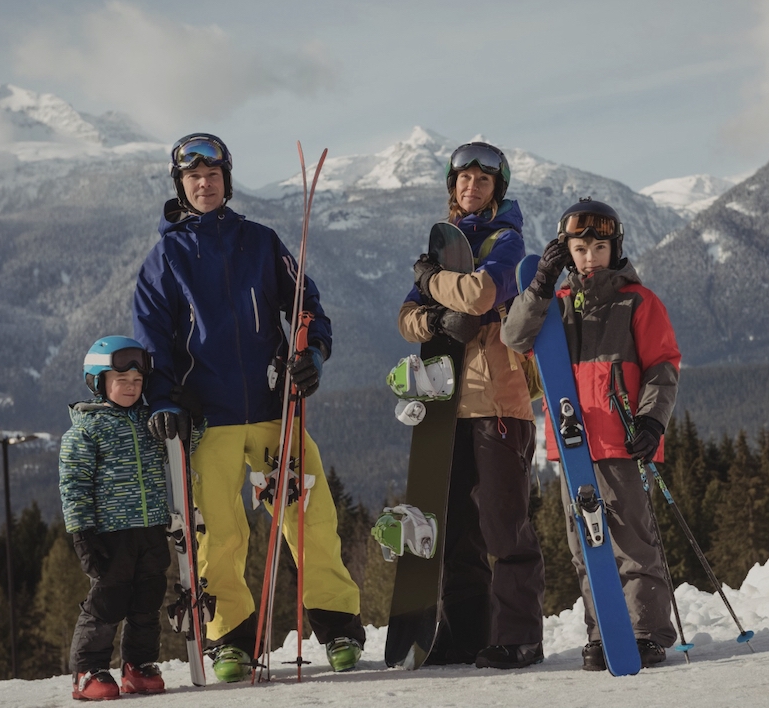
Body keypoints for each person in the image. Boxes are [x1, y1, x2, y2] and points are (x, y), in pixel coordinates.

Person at [132, 133, 365, 681]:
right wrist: (163, 399)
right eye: (193, 177)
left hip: (271, 406)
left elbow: (306, 304)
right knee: (218, 530)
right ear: (181, 185)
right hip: (207, 416)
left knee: (310, 518)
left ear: (226, 180)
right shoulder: (166, 257)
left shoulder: (261, 242)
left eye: (212, 175)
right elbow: (152, 339)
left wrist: (313, 354)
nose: (203, 184)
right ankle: (231, 639)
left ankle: (337, 628)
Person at [501, 198, 682, 670]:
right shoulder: (557, 306)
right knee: (586, 545)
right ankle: (605, 631)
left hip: (623, 440)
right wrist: (540, 282)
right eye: (579, 249)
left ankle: (646, 632)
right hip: (573, 445)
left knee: (631, 542)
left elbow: (663, 367)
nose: (589, 257)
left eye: (598, 247)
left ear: (614, 248)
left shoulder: (638, 302)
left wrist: (651, 420)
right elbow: (515, 337)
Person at [397, 141, 545, 670]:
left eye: (484, 180)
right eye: (463, 179)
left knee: (504, 528)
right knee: (455, 528)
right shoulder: (445, 243)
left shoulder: (509, 242)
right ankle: (465, 634)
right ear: (452, 187)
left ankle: (520, 636)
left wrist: (432, 281)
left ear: (497, 189)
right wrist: (436, 320)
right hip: (444, 403)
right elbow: (406, 316)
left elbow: (483, 295)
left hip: (498, 402)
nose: (472, 187)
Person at [59, 335, 204, 700]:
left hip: (152, 527)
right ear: (98, 382)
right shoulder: (86, 429)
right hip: (110, 533)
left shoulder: (149, 420)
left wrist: (194, 418)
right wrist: (82, 533)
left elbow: (183, 446)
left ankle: (138, 666)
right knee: (109, 601)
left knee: (147, 600)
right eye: (121, 381)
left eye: (137, 382)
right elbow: (73, 484)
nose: (130, 387)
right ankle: (88, 670)